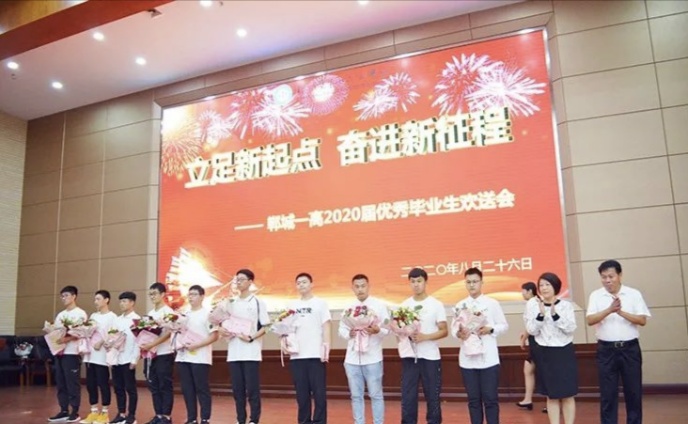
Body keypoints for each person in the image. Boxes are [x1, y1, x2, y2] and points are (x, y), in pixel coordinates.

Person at [586, 260, 650, 424]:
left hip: (630, 349)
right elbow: (590, 320)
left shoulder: (633, 294)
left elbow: (642, 320)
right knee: (608, 394)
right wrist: (609, 310)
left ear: (620, 275)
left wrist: (621, 312)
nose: (607, 280)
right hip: (606, 350)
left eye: (611, 276)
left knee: (633, 392)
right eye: (604, 277)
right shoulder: (596, 295)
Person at [453, 267, 508, 424]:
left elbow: (504, 325)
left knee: (490, 399)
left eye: (475, 281)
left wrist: (491, 329)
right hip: (467, 360)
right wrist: (460, 333)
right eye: (468, 282)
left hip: (488, 359)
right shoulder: (460, 305)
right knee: (473, 400)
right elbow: (454, 330)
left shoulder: (492, 303)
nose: (472, 285)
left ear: (482, 282)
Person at [525, 273, 578, 424]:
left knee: (568, 395)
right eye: (541, 285)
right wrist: (540, 316)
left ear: (555, 286)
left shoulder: (566, 306)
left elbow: (571, 328)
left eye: (547, 284)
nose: (544, 288)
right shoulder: (534, 306)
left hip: (564, 352)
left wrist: (555, 316)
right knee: (551, 395)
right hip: (545, 353)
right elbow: (531, 330)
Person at [337, 274, 390, 424]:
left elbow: (388, 329)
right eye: (357, 286)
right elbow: (341, 329)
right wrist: (349, 333)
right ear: (352, 288)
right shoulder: (348, 308)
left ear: (368, 286)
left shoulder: (379, 306)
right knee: (356, 396)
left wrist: (377, 330)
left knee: (376, 395)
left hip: (373, 357)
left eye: (363, 286)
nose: (360, 289)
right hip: (352, 358)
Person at [220, 269, 271, 424]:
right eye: (237, 279)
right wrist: (222, 330)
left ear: (250, 282)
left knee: (252, 389)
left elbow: (266, 327)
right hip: (234, 352)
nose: (238, 282)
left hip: (251, 352)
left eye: (242, 279)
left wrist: (251, 338)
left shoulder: (257, 302)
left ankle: (254, 419)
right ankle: (240, 419)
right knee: (237, 390)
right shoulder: (230, 303)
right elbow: (223, 323)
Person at [399, 268, 447, 424]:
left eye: (419, 281)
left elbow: (444, 331)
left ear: (425, 282)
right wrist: (403, 334)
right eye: (412, 282)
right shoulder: (404, 305)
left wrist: (424, 337)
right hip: (409, 357)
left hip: (430, 357)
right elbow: (399, 331)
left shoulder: (436, 304)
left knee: (432, 395)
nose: (416, 285)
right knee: (408, 396)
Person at [287, 272, 332, 424]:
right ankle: (304, 421)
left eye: (304, 282)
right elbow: (286, 328)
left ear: (312, 284)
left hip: (316, 355)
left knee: (319, 394)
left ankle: (319, 421)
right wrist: (285, 343)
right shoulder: (292, 305)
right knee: (302, 395)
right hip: (297, 355)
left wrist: (326, 349)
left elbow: (326, 326)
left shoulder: (320, 303)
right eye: (298, 283)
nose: (301, 285)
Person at [176, 285, 219, 424]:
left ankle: (205, 418)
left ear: (202, 297)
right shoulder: (183, 314)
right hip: (183, 356)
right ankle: (191, 418)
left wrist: (196, 345)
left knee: (201, 388)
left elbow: (214, 336)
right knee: (187, 389)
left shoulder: (208, 314)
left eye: (194, 294)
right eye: (189, 295)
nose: (191, 297)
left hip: (200, 357)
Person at [48, 285, 89, 423]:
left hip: (72, 352)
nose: (63, 298)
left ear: (74, 296)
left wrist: (67, 338)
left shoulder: (80, 313)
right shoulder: (61, 315)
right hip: (59, 352)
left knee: (72, 383)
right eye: (62, 296)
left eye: (66, 295)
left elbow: (81, 332)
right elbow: (56, 332)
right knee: (61, 382)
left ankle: (75, 411)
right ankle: (63, 410)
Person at [140, 282, 175, 424]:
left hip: (164, 353)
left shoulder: (169, 312)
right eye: (150, 294)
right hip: (150, 354)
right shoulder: (150, 314)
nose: (152, 296)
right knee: (153, 384)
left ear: (163, 294)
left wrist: (153, 344)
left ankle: (166, 416)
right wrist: (143, 343)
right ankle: (158, 415)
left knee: (164, 384)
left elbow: (169, 333)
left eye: (154, 294)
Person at [81, 290, 117, 424]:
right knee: (91, 384)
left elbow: (114, 333)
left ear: (106, 300)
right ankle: (93, 411)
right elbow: (88, 331)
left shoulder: (112, 317)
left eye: (98, 299)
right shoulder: (93, 316)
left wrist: (101, 341)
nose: (95, 302)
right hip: (90, 355)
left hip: (102, 355)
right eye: (95, 299)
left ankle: (105, 413)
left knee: (103, 383)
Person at [110, 292, 141, 424]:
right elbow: (112, 336)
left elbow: (139, 341)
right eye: (120, 301)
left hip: (128, 358)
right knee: (118, 388)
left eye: (124, 301)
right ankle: (121, 413)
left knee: (130, 388)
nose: (121, 304)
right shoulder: (117, 319)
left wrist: (134, 359)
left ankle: (131, 415)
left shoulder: (137, 319)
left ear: (132, 303)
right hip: (117, 358)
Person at [516, 281, 539, 411]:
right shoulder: (535, 302)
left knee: (541, 371)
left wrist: (524, 337)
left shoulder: (532, 303)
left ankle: (552, 401)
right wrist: (525, 334)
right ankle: (528, 399)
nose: (522, 293)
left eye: (523, 291)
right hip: (534, 340)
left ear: (530, 291)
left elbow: (533, 325)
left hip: (537, 342)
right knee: (528, 369)